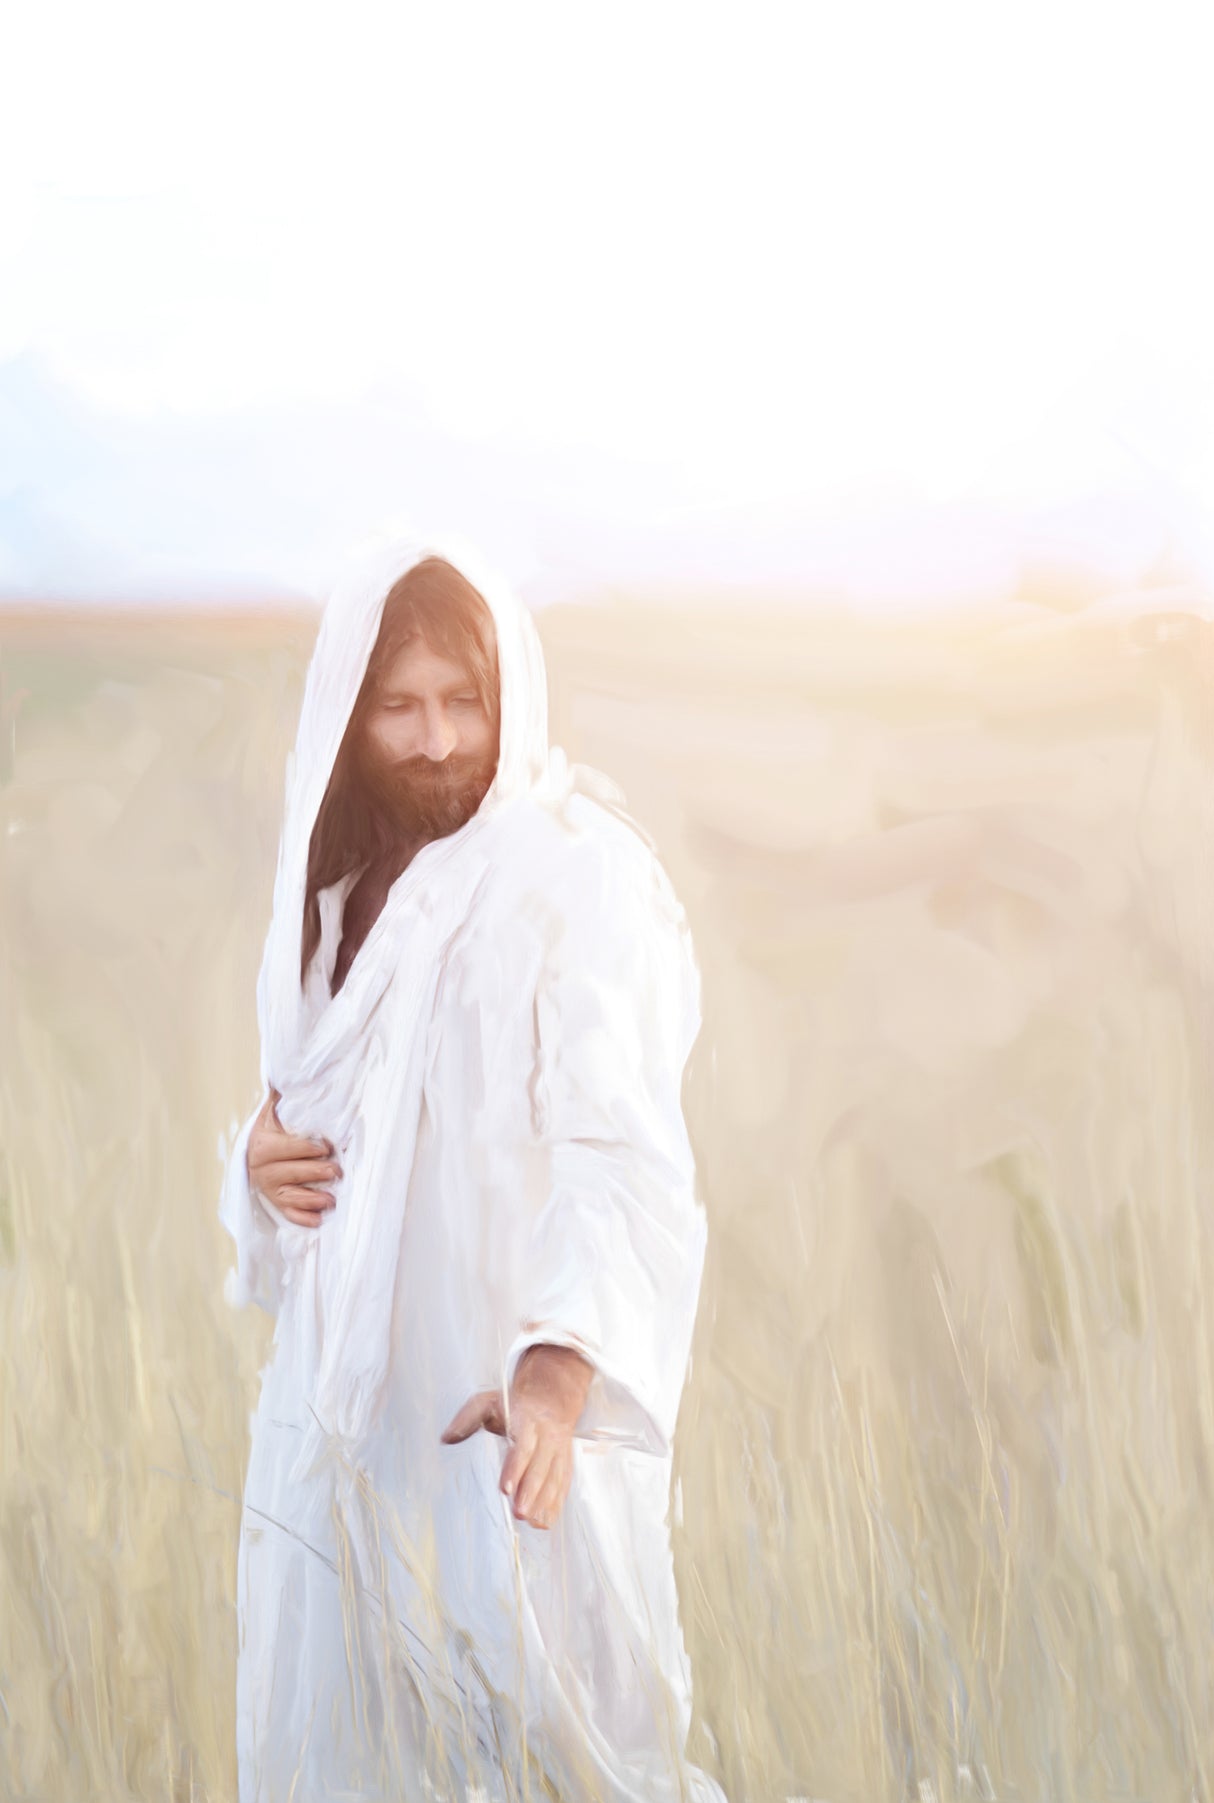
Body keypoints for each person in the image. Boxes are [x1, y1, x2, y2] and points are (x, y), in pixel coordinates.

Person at [218, 536, 724, 1803]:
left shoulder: (575, 879)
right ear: (350, 714)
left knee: (552, 1758)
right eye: (400, 705)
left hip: (501, 1431)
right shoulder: (330, 905)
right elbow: (323, 1152)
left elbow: (624, 1158)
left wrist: (554, 1377)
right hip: (340, 1442)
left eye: (465, 701)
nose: (439, 741)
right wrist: (253, 1165)